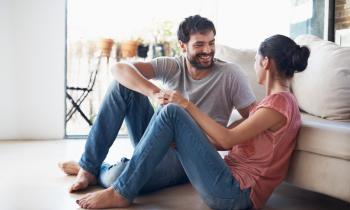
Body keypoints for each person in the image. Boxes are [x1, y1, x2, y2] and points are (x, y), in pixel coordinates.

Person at [71, 34, 310, 209]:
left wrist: (186, 105)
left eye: (257, 60)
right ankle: (93, 169)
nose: (255, 65)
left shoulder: (279, 105)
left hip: (236, 195)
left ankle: (120, 191)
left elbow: (227, 137)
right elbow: (223, 142)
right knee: (171, 113)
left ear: (266, 63)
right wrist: (182, 140)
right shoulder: (274, 104)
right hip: (228, 185)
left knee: (173, 111)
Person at [59, 14, 256, 205]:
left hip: (187, 156)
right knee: (121, 86)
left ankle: (98, 169)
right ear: (182, 45)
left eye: (211, 43)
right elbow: (119, 69)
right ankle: (88, 167)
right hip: (157, 136)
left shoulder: (230, 74)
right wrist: (153, 93)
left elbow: (253, 119)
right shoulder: (172, 66)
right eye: (199, 45)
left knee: (115, 178)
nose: (208, 50)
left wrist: (217, 138)